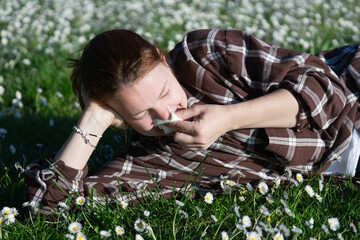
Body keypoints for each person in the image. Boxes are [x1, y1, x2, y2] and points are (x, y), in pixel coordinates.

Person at [24, 29, 360, 218]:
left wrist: (227, 119)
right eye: (142, 115)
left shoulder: (204, 54)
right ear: (120, 121)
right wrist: (93, 117)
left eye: (165, 91)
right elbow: (47, 209)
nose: (167, 114)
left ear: (163, 58)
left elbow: (325, 87)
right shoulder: (148, 161)